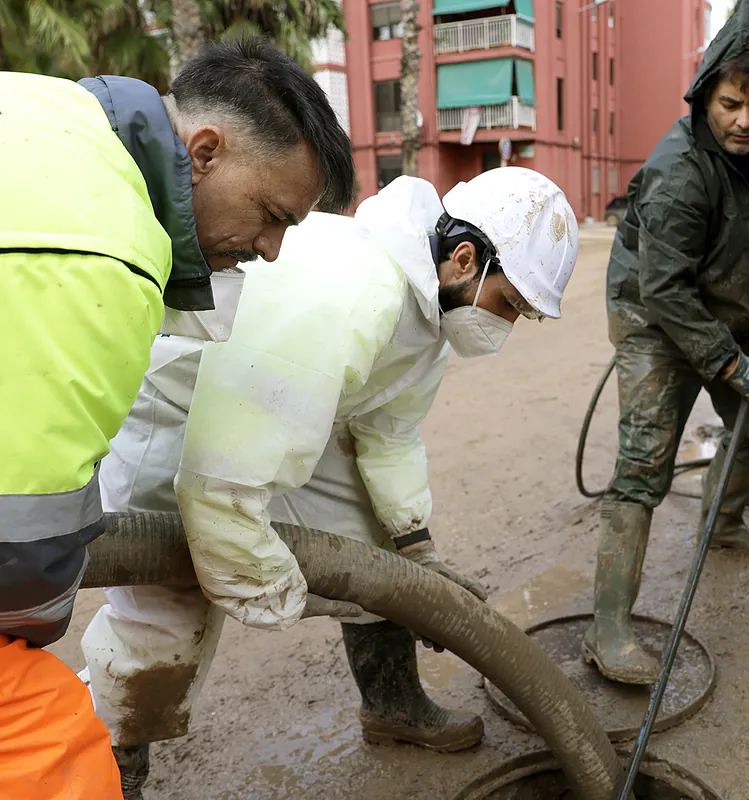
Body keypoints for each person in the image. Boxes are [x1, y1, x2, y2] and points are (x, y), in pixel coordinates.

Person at [79, 167, 578, 797]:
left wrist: (416, 551)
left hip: (279, 415)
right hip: (185, 423)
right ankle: (111, 767)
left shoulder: (429, 316)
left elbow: (388, 433)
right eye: (508, 304)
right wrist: (262, 580)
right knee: (167, 614)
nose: (504, 327)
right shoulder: (353, 286)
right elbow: (228, 471)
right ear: (463, 259)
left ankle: (392, 706)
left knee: (378, 551)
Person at [0, 38, 353, 799]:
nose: (269, 250)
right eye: (270, 215)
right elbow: (18, 542)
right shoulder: (116, 254)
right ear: (204, 151)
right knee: (56, 753)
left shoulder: (49, 108)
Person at [583, 0, 749, 686]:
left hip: (728, 298)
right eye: (732, 103)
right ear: (706, 95)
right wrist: (724, 362)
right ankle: (610, 630)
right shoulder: (678, 171)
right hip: (658, 317)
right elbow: (665, 293)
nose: (746, 120)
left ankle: (723, 517)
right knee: (643, 469)